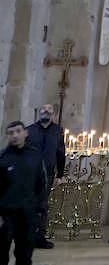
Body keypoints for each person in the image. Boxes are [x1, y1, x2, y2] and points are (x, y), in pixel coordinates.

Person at [0, 120, 46, 265]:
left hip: (27, 216)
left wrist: (38, 211)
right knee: (0, 259)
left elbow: (41, 186)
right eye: (11, 133)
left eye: (18, 131)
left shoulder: (35, 156)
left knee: (24, 259)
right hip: (6, 216)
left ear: (25, 133)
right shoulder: (2, 158)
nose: (15, 135)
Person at [27, 104, 65, 249]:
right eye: (43, 109)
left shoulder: (57, 131)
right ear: (39, 112)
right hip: (30, 174)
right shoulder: (29, 130)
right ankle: (27, 236)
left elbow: (60, 152)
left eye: (49, 110)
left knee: (42, 206)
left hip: (47, 174)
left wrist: (60, 174)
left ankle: (40, 237)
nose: (46, 112)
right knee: (30, 205)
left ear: (53, 114)